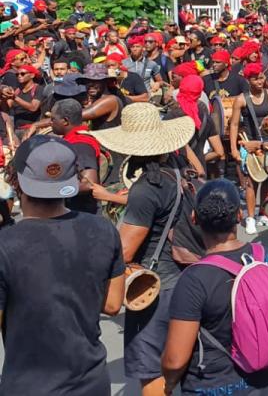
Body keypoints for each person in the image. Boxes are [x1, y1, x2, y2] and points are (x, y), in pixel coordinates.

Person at [0, 136, 124, 395]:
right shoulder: (103, 230)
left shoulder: (5, 243)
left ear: (16, 181)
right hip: (91, 382)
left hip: (28, 385)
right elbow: (113, 304)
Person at [91, 102, 199, 395]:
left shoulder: (146, 188)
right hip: (188, 278)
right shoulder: (178, 170)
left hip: (157, 288)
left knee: (151, 369)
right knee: (184, 361)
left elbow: (125, 251)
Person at [161, 179, 268, 395]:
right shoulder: (263, 256)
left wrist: (169, 384)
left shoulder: (193, 279)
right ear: (238, 215)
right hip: (264, 384)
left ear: (194, 218)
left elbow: (175, 359)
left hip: (210, 387)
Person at [228, 62, 268, 234]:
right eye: (255, 78)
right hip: (249, 143)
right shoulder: (242, 99)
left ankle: (263, 214)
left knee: (266, 179)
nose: (260, 81)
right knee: (250, 183)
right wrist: (234, 150)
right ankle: (250, 218)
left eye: (262, 77)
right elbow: (234, 125)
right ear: (249, 80)